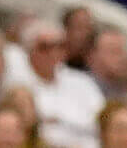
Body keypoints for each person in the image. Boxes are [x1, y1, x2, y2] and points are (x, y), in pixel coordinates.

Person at [14, 18, 103, 148]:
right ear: (29, 49)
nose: (54, 52)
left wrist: (59, 120)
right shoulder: (19, 85)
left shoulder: (82, 82)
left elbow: (102, 123)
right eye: (45, 47)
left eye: (60, 46)